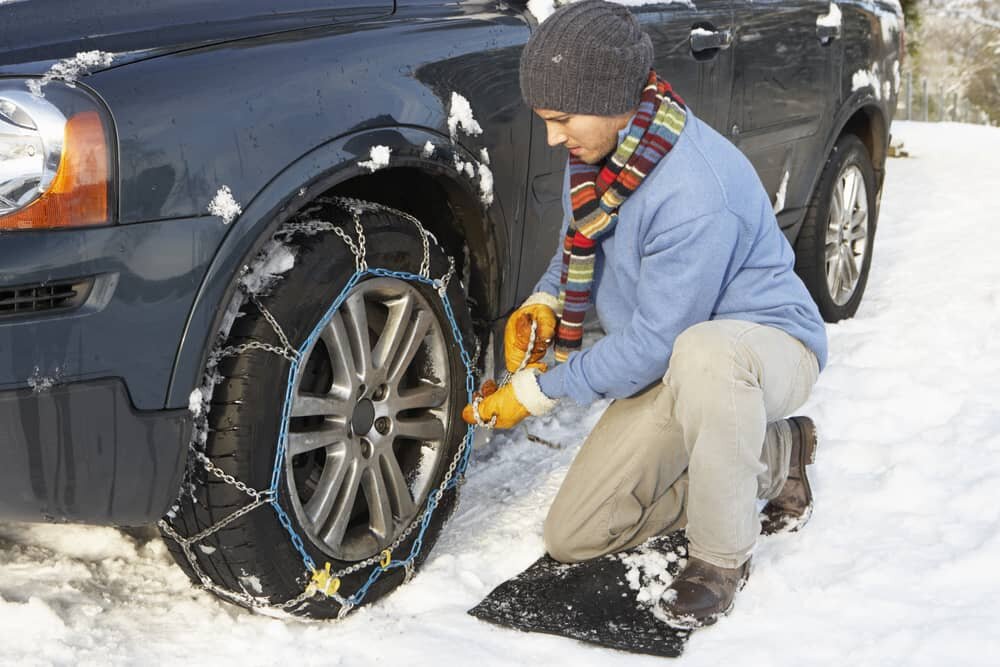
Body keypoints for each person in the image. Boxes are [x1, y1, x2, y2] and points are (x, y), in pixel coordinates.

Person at [462, 0, 828, 629]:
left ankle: (721, 554)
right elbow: (579, 243)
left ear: (609, 97)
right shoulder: (611, 154)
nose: (554, 137)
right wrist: (547, 301)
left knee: (707, 353)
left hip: (761, 350)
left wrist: (535, 390)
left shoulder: (694, 194)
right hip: (675, 359)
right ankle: (773, 451)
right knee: (577, 533)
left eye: (560, 118)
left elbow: (657, 342)